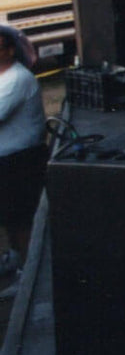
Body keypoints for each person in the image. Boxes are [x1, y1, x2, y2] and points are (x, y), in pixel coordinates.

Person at [0, 28, 47, 281]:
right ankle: (19, 262)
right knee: (10, 217)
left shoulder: (17, 79)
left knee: (21, 221)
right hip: (8, 162)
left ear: (9, 51)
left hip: (21, 162)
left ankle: (29, 277)